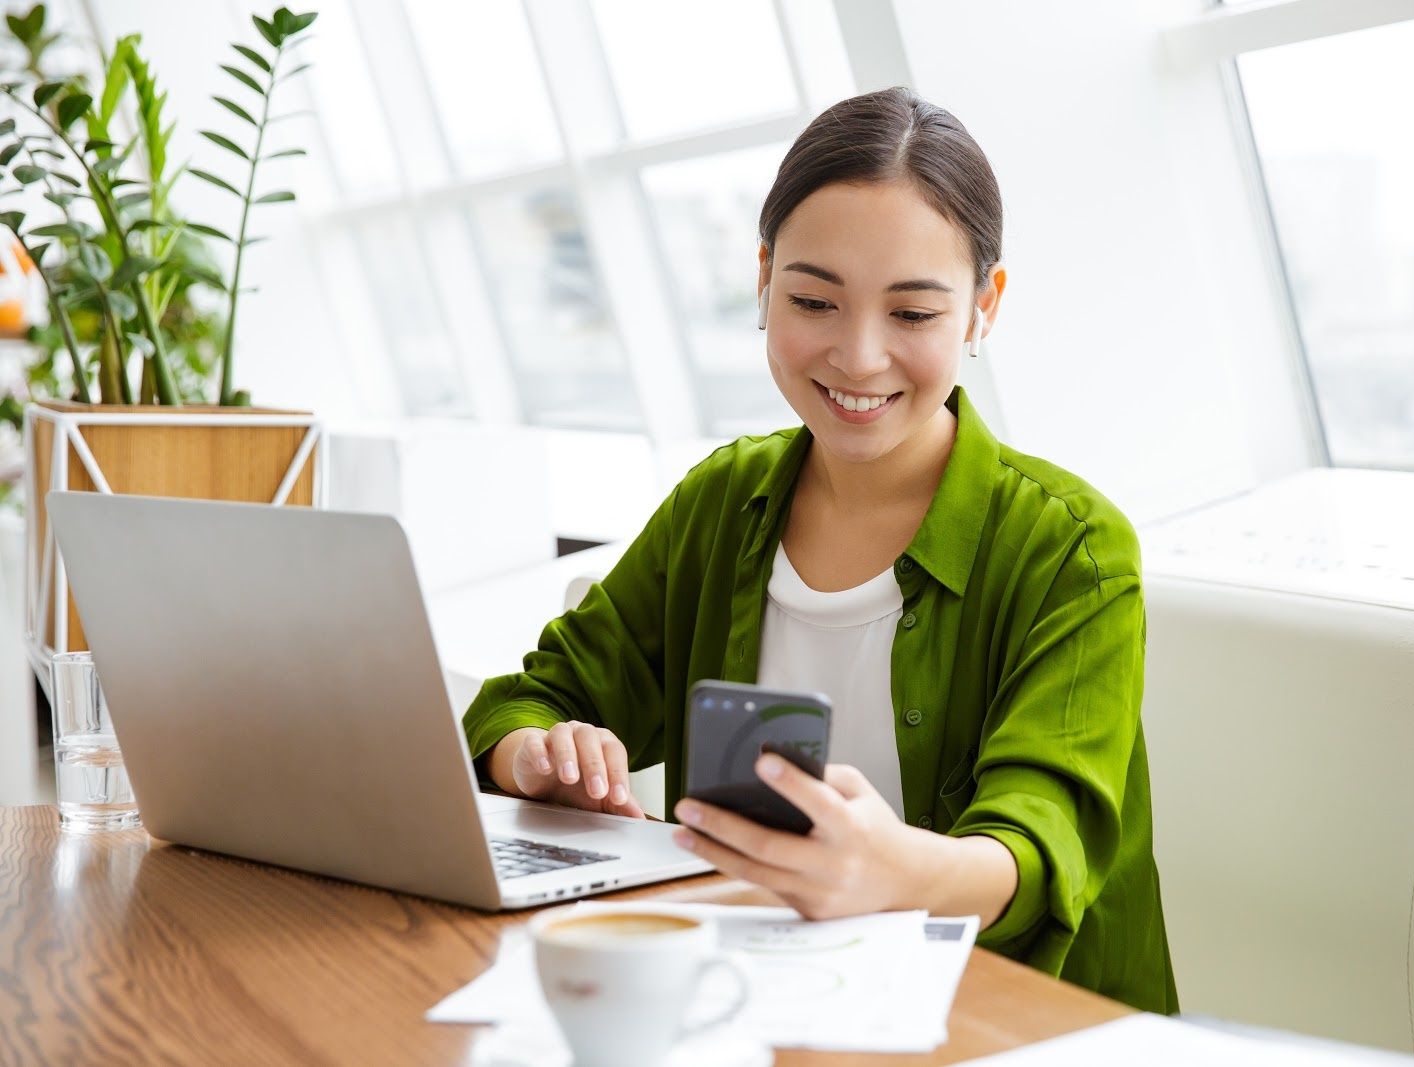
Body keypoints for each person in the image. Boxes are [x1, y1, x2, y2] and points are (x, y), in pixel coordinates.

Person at [463, 86, 1178, 1013]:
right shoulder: (722, 500)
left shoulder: (1071, 549)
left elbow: (1037, 847)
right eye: (813, 299)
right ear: (763, 279)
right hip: (746, 997)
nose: (857, 356)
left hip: (1013, 1021)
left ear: (983, 308)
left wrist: (887, 869)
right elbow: (529, 699)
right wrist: (540, 755)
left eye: (914, 315)